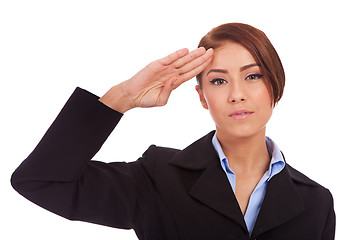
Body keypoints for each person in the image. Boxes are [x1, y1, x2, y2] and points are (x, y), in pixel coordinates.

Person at [11, 23, 335, 239]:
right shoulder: (158, 177)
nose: (237, 93)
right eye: (219, 80)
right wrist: (121, 97)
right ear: (202, 97)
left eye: (252, 76)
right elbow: (39, 181)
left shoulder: (316, 202)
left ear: (275, 87)